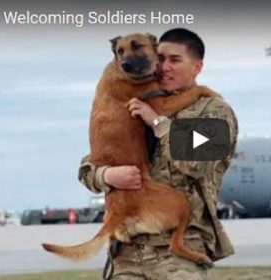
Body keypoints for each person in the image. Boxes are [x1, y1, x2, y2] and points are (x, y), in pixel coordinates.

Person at [79, 28, 238, 280]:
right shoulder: (137, 103)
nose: (164, 67)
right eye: (160, 58)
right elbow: (88, 168)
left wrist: (157, 123)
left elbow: (196, 163)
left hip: (177, 256)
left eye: (175, 60)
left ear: (197, 66)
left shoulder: (214, 111)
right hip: (128, 253)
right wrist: (106, 175)